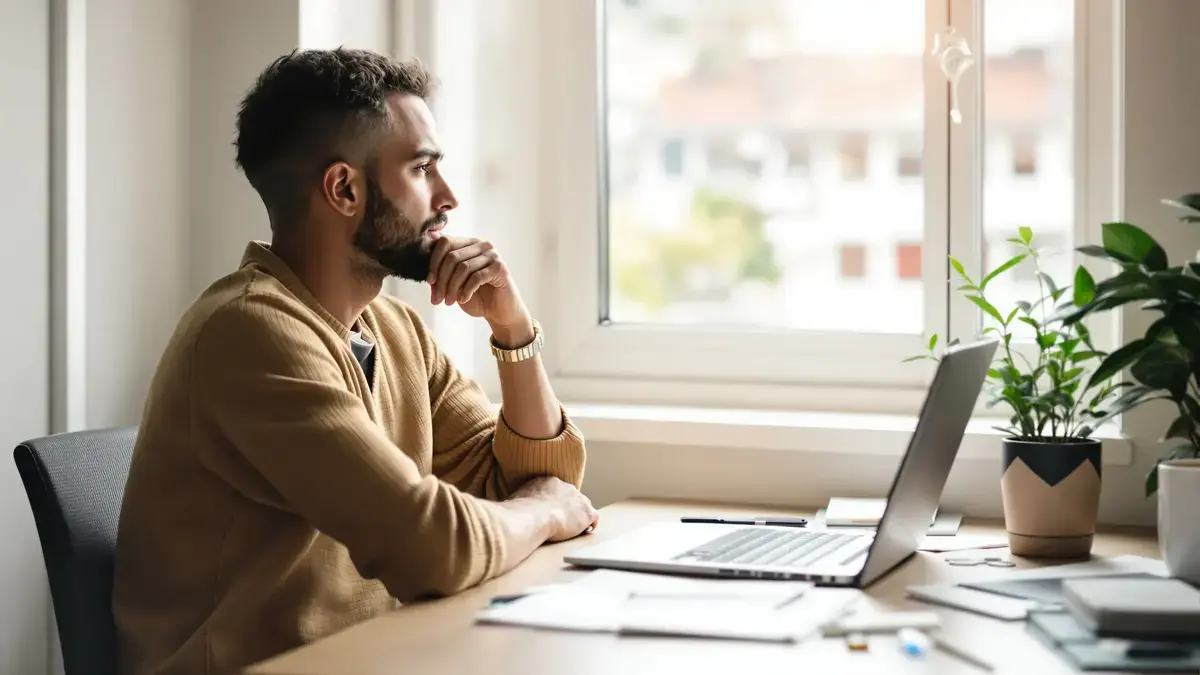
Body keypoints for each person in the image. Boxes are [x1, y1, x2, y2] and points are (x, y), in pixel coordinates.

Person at [111, 47, 598, 675]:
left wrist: (512, 326)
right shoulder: (249, 331)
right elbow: (439, 546)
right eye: (422, 169)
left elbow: (535, 474)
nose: (448, 197)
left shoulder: (394, 330)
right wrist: (545, 511)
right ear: (344, 189)